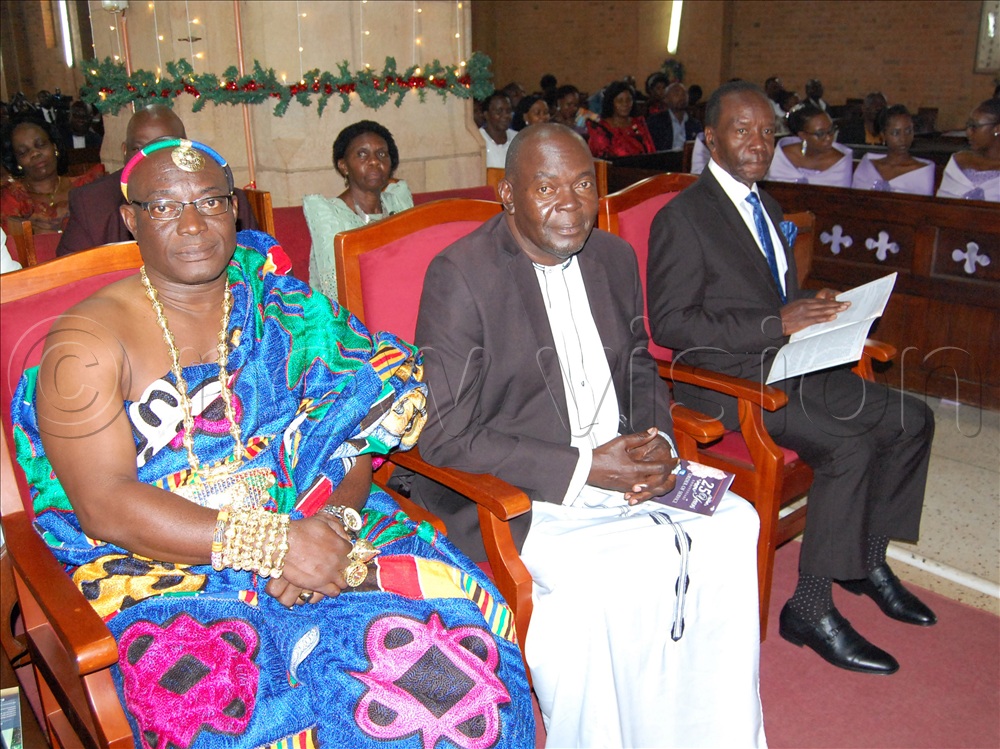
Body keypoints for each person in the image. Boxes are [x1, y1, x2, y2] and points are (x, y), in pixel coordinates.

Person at [11, 138, 534, 748]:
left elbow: (355, 431)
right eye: (165, 207)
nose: (193, 223)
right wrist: (275, 545)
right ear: (130, 218)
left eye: (211, 201)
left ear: (234, 209)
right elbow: (104, 504)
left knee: (446, 686)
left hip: (322, 525)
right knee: (217, 712)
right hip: (169, 567)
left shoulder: (288, 308)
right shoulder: (84, 345)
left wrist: (334, 522)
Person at [411, 123, 765, 747]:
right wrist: (584, 466)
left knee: (735, 522)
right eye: (547, 187)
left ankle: (712, 731)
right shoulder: (461, 275)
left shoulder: (612, 256)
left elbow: (635, 359)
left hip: (624, 463)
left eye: (582, 184)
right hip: (526, 488)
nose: (571, 204)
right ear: (508, 195)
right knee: (603, 582)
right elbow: (444, 435)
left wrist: (657, 439)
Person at [647, 81, 936, 677]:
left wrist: (814, 302)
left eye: (766, 131)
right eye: (742, 129)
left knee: (913, 418)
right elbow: (673, 322)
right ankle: (808, 610)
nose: (758, 141)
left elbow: (769, 295)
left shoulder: (766, 205)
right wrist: (776, 319)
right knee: (849, 444)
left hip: (791, 364)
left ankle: (865, 560)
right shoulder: (684, 217)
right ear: (710, 138)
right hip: (734, 382)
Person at [56, 104, 258, 256]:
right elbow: (70, 281)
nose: (153, 158)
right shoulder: (91, 203)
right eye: (140, 149)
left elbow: (261, 271)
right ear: (125, 151)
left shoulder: (222, 199)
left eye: (166, 147)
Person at [303, 120, 412, 300]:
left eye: (382, 154)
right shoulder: (330, 215)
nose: (374, 161)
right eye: (362, 154)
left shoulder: (398, 203)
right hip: (349, 317)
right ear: (343, 166)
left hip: (401, 301)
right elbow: (338, 291)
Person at [0, 117, 103, 234]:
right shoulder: (11, 198)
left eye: (40, 145)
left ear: (54, 147)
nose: (35, 153)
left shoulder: (86, 187)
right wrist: (28, 232)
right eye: (23, 152)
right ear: (17, 161)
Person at [852, 105, 934, 195]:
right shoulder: (868, 167)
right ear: (883, 135)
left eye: (908, 131)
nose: (903, 139)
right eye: (895, 133)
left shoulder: (921, 171)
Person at [767, 103, 853, 186]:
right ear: (803, 135)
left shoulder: (840, 162)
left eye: (831, 130)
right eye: (820, 134)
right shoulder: (782, 157)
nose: (829, 138)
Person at [936, 98, 1000, 201]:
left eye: (974, 126)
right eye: (968, 126)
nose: (968, 132)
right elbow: (942, 205)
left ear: (997, 129)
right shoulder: (959, 161)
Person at [586, 80, 656, 159]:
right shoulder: (601, 129)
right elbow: (602, 159)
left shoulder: (639, 123)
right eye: (620, 101)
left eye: (629, 100)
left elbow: (651, 153)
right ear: (611, 103)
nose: (625, 104)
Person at [647, 81, 704, 152]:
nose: (681, 97)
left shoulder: (695, 124)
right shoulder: (656, 121)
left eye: (684, 94)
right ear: (666, 99)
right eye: (676, 93)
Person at [478, 91, 517, 168]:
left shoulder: (518, 139)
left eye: (508, 111)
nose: (506, 115)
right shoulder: (477, 139)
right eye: (499, 111)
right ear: (486, 115)